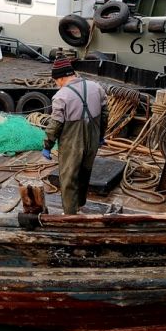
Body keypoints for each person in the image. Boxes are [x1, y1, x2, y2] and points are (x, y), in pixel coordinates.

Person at [42, 57, 109, 215]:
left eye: (56, 81)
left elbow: (55, 125)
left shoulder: (61, 96)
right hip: (92, 139)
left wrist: (47, 146)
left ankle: (70, 215)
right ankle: (80, 204)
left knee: (68, 178)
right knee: (85, 173)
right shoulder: (96, 87)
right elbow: (105, 114)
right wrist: (100, 136)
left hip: (72, 143)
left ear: (61, 77)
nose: (56, 84)